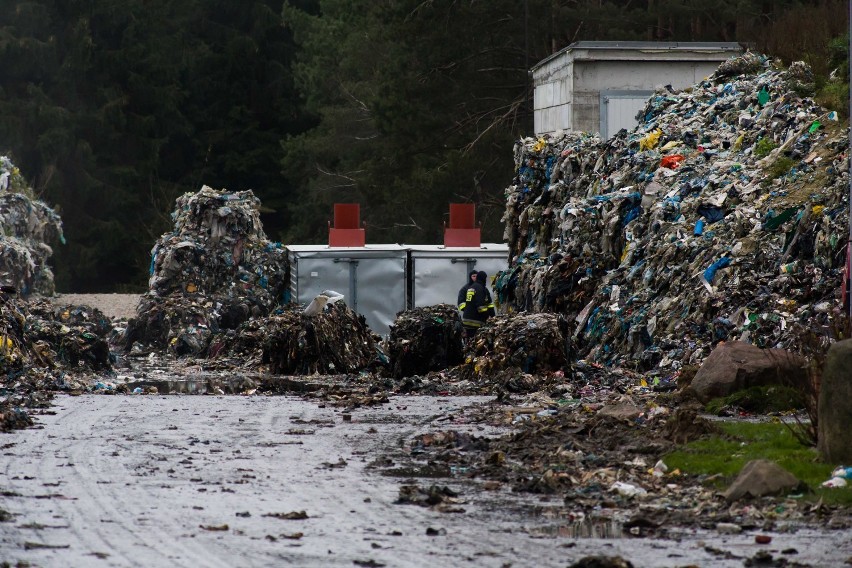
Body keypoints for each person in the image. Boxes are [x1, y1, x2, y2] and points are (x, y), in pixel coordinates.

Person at [458, 270, 486, 339]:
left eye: (476, 276)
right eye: (473, 276)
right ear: (470, 277)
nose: (475, 278)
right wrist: (468, 309)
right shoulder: (465, 289)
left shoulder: (481, 287)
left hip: (475, 317)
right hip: (472, 318)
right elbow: (461, 303)